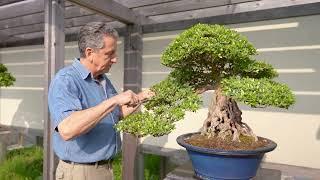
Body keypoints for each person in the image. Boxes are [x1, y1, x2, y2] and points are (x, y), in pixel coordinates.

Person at [48, 22, 154, 180]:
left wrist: (142, 97)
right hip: (80, 173)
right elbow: (67, 129)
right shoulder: (66, 80)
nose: (115, 59)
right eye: (109, 54)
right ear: (90, 52)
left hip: (105, 168)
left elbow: (116, 114)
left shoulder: (103, 80)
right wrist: (113, 101)